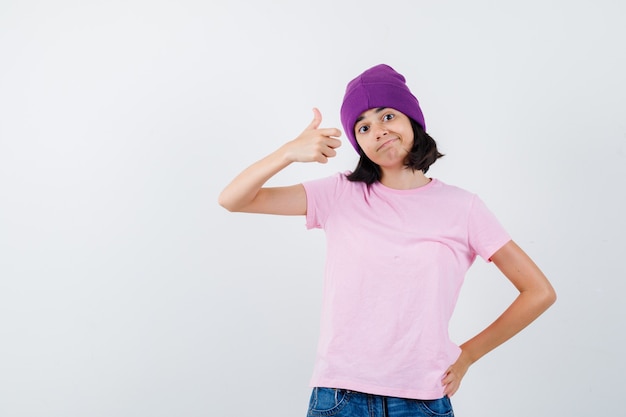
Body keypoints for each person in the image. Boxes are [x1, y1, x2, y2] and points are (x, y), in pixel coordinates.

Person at [218, 64, 556, 417]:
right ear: (358, 144)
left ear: (412, 120)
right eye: (363, 127)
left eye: (387, 116)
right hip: (339, 397)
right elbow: (233, 199)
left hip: (422, 397)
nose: (377, 131)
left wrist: (468, 354)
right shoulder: (339, 194)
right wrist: (287, 152)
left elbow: (538, 291)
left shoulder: (464, 208)